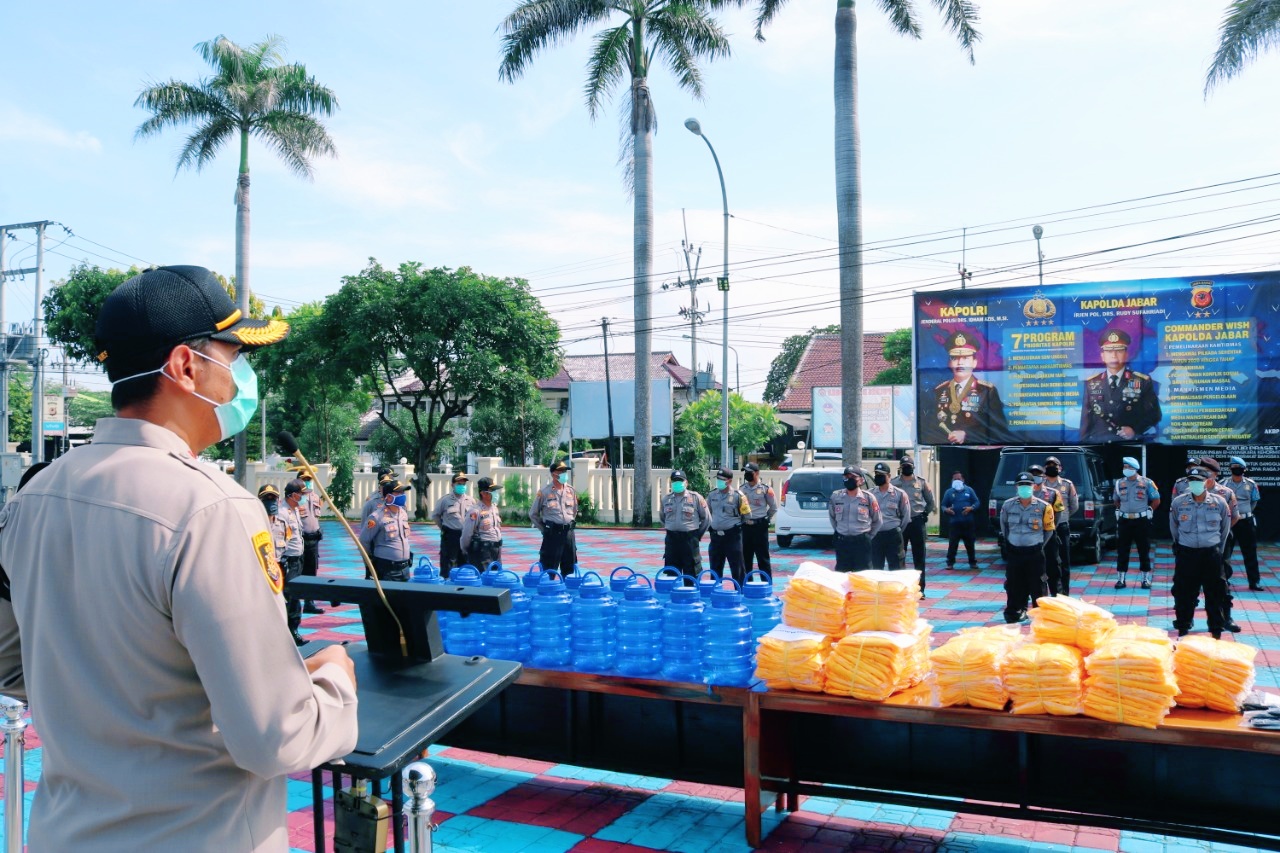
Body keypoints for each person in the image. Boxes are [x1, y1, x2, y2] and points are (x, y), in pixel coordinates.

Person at [0, 264, 357, 850]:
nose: (241, 375)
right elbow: (276, 737)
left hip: (66, 833)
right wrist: (337, 681)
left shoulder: (34, 496)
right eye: (234, 353)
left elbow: (13, 667)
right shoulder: (212, 508)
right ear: (185, 367)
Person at [1168, 467, 1231, 638]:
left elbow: (1224, 530)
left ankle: (1216, 628)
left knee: (1216, 592)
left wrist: (1217, 549)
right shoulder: (1179, 502)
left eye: (1198, 480)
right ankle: (1183, 626)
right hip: (1187, 554)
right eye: (1192, 480)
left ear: (1206, 482)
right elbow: (1174, 528)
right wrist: (1181, 547)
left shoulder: (1219, 502)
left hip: (1211, 554)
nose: (1195, 484)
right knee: (1184, 592)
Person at [922, 332, 1011, 445]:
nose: (960, 363)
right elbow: (930, 427)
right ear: (949, 363)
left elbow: (999, 429)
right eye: (955, 358)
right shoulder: (940, 391)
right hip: (950, 451)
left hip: (981, 452)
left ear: (974, 362)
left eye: (965, 358)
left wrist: (967, 434)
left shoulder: (987, 391)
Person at [1080, 328, 1162, 442]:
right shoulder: (1092, 383)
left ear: (1126, 354)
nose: (1114, 355)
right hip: (1099, 445)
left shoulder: (1142, 381)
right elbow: (1086, 420)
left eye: (1119, 350)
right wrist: (1083, 445)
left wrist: (1135, 429)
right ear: (1102, 356)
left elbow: (1154, 415)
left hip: (1129, 445)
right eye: (1109, 351)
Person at [999, 472, 1054, 623]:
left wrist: (1038, 545)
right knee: (1014, 583)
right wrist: (1011, 542)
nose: (1024, 488)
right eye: (1021, 485)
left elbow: (1049, 530)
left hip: (1034, 552)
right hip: (1015, 552)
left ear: (1034, 486)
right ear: (1016, 487)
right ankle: (1016, 611)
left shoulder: (1044, 506)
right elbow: (1004, 527)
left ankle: (1040, 615)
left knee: (1038, 584)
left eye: (1027, 485)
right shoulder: (1008, 505)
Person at [1199, 457, 1242, 633]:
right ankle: (1185, 618)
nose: (1203, 475)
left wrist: (1218, 533)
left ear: (1215, 474)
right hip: (1193, 542)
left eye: (1207, 472)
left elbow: (1235, 516)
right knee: (1188, 580)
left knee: (1221, 580)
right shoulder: (1187, 491)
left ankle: (1226, 617)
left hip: (1219, 543)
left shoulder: (1226, 493)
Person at [1111, 457, 1160, 590]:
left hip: (1141, 520)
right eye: (1124, 467)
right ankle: (1121, 579)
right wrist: (1120, 510)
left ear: (1134, 468)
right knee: (1122, 550)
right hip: (1125, 520)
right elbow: (1116, 500)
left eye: (1128, 467)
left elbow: (1156, 499)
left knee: (1143, 549)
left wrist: (1150, 510)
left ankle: (1145, 579)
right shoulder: (1119, 483)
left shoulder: (1147, 482)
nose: (1125, 469)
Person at [829, 466, 882, 571]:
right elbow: (833, 518)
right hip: (843, 542)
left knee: (863, 577)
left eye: (853, 477)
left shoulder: (868, 498)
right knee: (841, 576)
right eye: (846, 476)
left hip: (861, 543)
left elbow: (878, 520)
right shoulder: (836, 497)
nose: (849, 479)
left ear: (861, 480)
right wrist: (841, 531)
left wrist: (868, 537)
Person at [530, 459, 578, 576]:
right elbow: (533, 514)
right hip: (552, 534)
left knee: (570, 569)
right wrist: (545, 529)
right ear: (553, 474)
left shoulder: (571, 491)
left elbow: (574, 511)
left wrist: (568, 523)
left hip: (568, 534)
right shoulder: (544, 492)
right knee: (548, 570)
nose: (563, 474)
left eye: (565, 471)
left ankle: (568, 593)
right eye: (560, 471)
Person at [360, 478, 414, 581]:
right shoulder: (376, 517)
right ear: (389, 497)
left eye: (403, 492)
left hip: (405, 568)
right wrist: (370, 561)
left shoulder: (403, 513)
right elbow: (363, 541)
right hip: (387, 569)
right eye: (399, 492)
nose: (403, 495)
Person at [1223, 456, 1264, 591]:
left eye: (1239, 468)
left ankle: (1254, 582)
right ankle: (1224, 580)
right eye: (1234, 468)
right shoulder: (1224, 484)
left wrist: (1245, 513)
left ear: (1244, 469)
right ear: (1230, 469)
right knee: (1226, 553)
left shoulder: (1251, 484)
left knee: (1250, 552)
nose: (1237, 470)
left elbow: (1254, 501)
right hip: (1230, 522)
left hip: (1246, 521)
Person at [891, 456, 935, 577]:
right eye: (904, 466)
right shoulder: (893, 483)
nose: (906, 468)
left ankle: (920, 588)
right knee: (899, 555)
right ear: (900, 468)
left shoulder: (921, 482)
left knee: (919, 556)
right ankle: (900, 586)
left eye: (909, 466)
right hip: (900, 523)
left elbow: (931, 502)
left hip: (917, 522)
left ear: (913, 467)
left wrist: (925, 513)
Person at [660, 470, 710, 574]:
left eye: (680, 481)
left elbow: (706, 519)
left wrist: (696, 535)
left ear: (686, 482)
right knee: (672, 574)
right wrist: (672, 527)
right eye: (675, 481)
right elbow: (662, 518)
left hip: (689, 540)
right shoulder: (666, 499)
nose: (677, 483)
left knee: (691, 572)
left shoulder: (696, 498)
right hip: (672, 540)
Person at [707, 467, 750, 583]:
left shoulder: (738, 496)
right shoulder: (712, 495)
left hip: (732, 537)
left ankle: (740, 593)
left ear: (730, 481)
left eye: (722, 479)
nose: (719, 482)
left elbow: (747, 515)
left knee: (738, 569)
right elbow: (708, 513)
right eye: (718, 479)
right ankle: (716, 593)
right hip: (716, 537)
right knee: (715, 569)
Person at [1028, 464, 1066, 595]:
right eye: (1033, 475)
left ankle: (1057, 598)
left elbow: (1059, 512)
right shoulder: (1025, 494)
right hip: (1030, 538)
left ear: (1043, 476)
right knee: (1034, 570)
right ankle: (1039, 599)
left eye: (1038, 474)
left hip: (1049, 537)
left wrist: (1050, 528)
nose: (1036, 477)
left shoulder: (1053, 493)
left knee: (1054, 568)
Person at [1042, 455, 1077, 590]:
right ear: (1044, 469)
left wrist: (1063, 517)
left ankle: (1065, 593)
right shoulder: (1040, 485)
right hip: (1045, 529)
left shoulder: (1067, 484)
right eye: (1049, 466)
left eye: (1055, 465)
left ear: (1060, 468)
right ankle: (1047, 592)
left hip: (1061, 527)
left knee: (1064, 561)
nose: (1052, 468)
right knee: (1046, 561)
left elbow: (1074, 506)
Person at [431, 472, 475, 578]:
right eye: (458, 484)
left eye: (463, 484)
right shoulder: (445, 500)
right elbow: (436, 516)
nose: (461, 486)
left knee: (466, 563)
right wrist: (444, 527)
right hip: (451, 536)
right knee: (449, 564)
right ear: (452, 485)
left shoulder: (471, 500)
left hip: (466, 536)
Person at [870, 462, 911, 574]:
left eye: (881, 474)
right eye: (876, 474)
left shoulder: (899, 494)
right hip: (876, 536)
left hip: (893, 536)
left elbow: (906, 517)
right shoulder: (870, 494)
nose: (878, 477)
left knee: (897, 569)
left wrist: (896, 530)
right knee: (875, 569)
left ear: (889, 476)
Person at [294, 470, 325, 614]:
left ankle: (309, 602)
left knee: (312, 571)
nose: (307, 481)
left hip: (314, 539)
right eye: (304, 479)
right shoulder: (295, 498)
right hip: (301, 540)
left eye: (309, 479)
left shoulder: (314, 496)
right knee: (297, 572)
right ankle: (294, 603)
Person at [282, 481, 309, 640]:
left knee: (296, 593)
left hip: (298, 557)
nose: (304, 497)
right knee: (291, 596)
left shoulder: (295, 510)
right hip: (289, 559)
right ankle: (291, 632)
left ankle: (293, 628)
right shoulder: (282, 512)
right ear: (293, 495)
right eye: (302, 494)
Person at [740, 462, 778, 576]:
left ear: (756, 473)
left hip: (760, 527)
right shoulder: (741, 489)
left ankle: (766, 585)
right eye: (745, 472)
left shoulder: (765, 489)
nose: (747, 475)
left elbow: (773, 507)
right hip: (746, 527)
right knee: (745, 558)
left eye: (749, 472)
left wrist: (766, 519)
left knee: (763, 559)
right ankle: (746, 586)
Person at [941, 471, 980, 571]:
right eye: (955, 479)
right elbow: (943, 505)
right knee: (953, 544)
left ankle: (972, 562)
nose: (957, 481)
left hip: (968, 522)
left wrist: (971, 508)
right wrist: (946, 510)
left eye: (959, 479)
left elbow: (977, 502)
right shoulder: (949, 492)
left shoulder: (969, 490)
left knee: (970, 544)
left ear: (963, 480)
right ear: (952, 481)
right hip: (955, 523)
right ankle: (950, 563)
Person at [461, 477, 503, 569]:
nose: (496, 494)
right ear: (483, 493)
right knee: (485, 579)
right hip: (483, 551)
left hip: (496, 550)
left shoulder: (494, 508)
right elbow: (467, 533)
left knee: (496, 578)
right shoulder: (475, 511)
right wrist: (465, 549)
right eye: (492, 490)